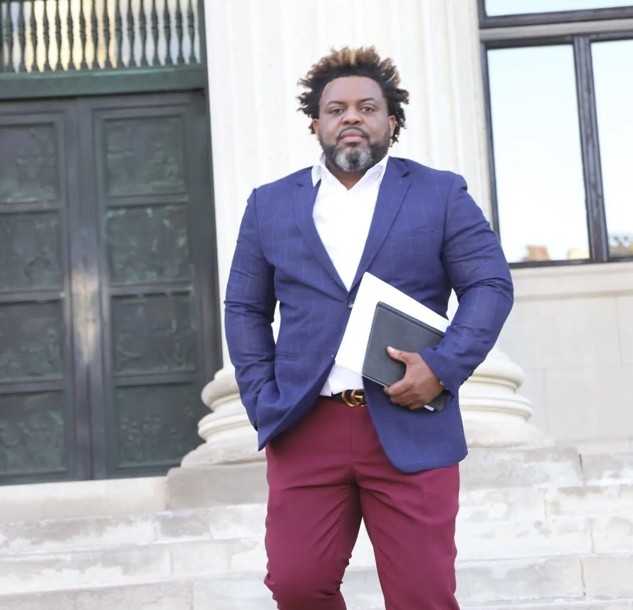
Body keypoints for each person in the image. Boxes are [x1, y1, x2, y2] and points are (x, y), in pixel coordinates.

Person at [224, 46, 513, 610]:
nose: (351, 117)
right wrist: (261, 396)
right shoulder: (269, 205)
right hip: (307, 422)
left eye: (367, 107)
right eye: (336, 109)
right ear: (315, 124)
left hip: (410, 420)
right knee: (296, 585)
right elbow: (244, 309)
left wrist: (443, 367)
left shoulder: (440, 193)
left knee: (422, 596)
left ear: (392, 121)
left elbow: (490, 285)